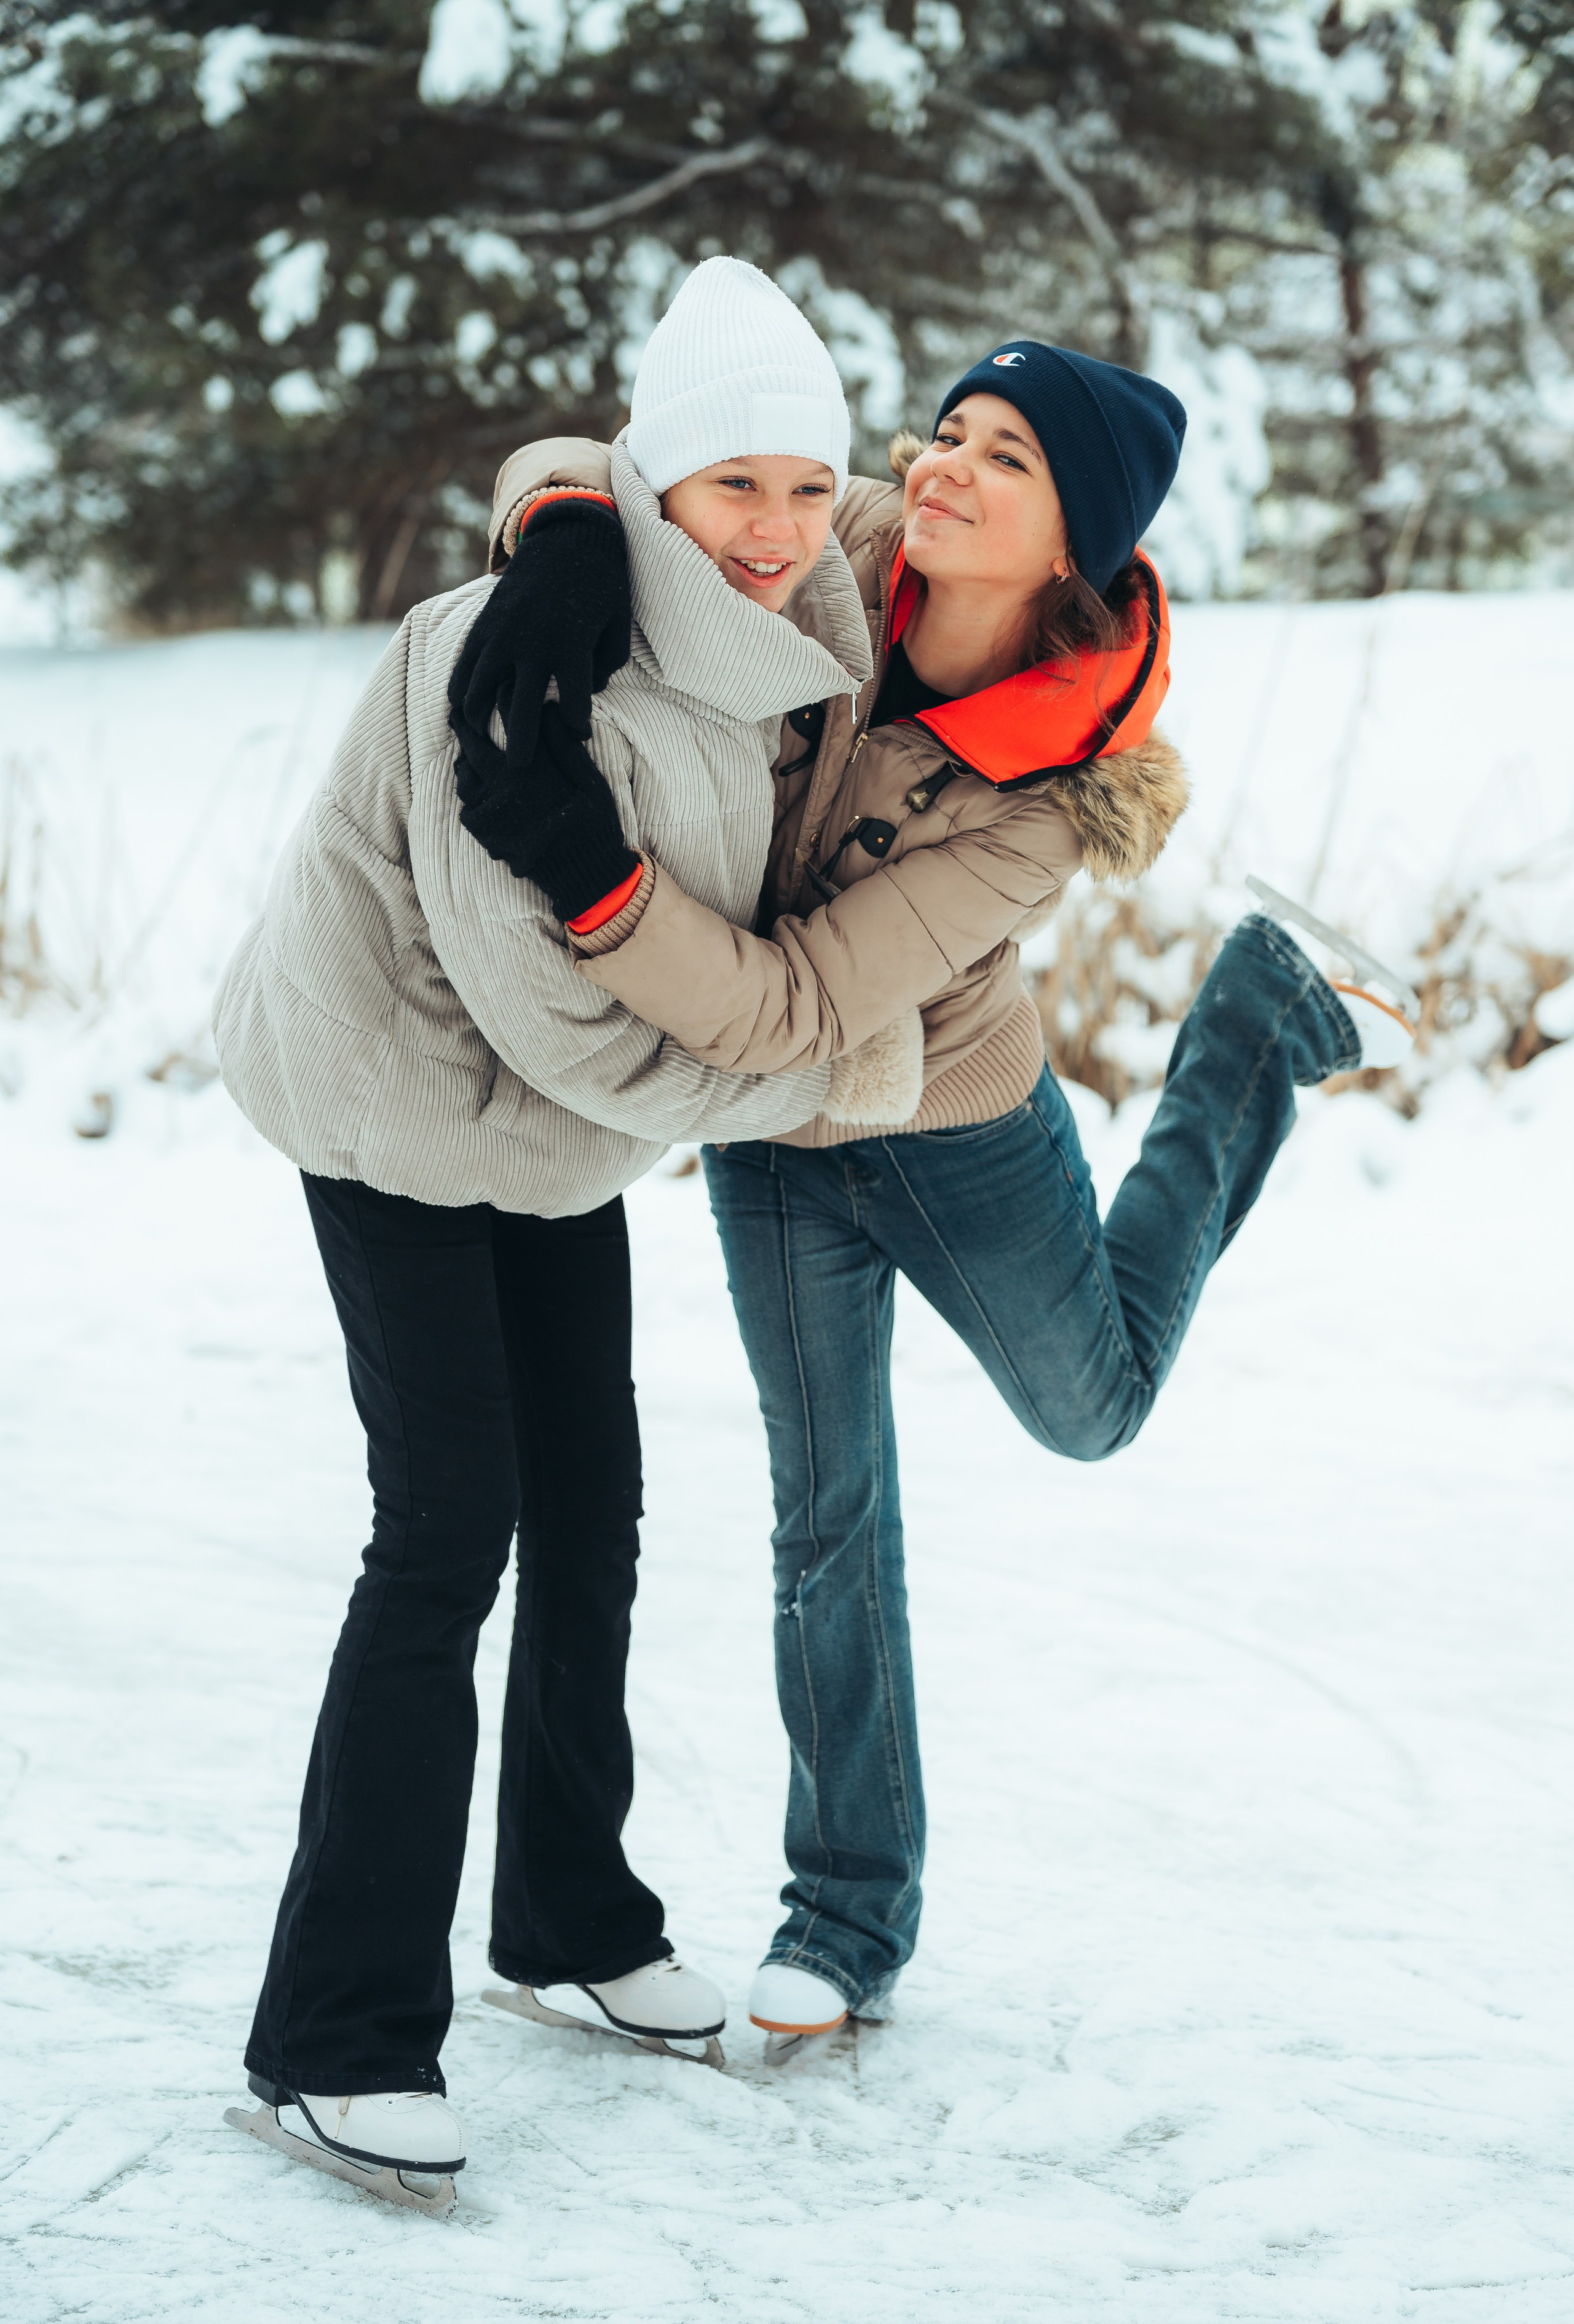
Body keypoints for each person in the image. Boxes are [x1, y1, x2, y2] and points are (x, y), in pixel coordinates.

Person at [475, 336, 1418, 2055]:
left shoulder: (1049, 801)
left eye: (1011, 461)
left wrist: (595, 887)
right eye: (953, 432)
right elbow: (601, 459)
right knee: (825, 1511)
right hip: (767, 1132)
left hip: (947, 1121)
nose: (948, 468)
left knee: (1093, 1410)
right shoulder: (821, 531)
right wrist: (557, 540)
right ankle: (847, 1917)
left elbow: (819, 1000)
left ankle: (1260, 1016)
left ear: (1080, 542)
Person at [211, 259, 918, 2204]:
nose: (777, 531)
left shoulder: (778, 612)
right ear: (658, 484)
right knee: (447, 1532)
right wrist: (829, 1078)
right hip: (398, 1100)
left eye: (804, 483)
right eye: (731, 489)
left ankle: (568, 1922)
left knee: (590, 1506)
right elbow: (575, 1026)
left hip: (552, 1144)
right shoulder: (510, 662)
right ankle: (330, 2036)